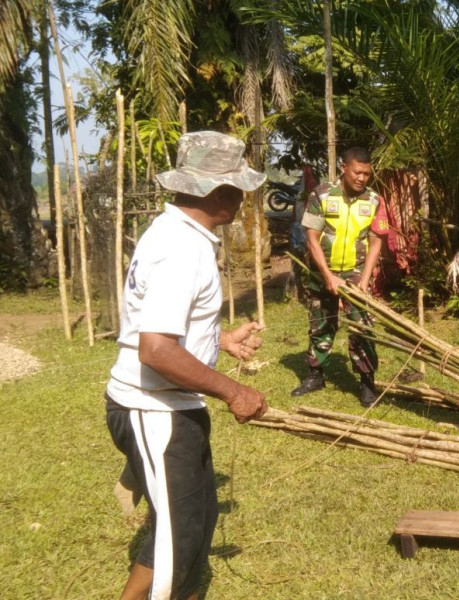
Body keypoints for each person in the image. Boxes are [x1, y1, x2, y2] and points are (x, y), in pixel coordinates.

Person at [104, 131, 269, 600]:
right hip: (152, 408)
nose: (242, 199)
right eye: (238, 189)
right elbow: (155, 349)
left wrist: (219, 338)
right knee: (180, 538)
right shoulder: (181, 248)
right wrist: (234, 391)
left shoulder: (177, 233)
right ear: (217, 194)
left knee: (192, 521)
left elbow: (160, 324)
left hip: (171, 405)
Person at [291, 147, 390, 406]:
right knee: (321, 322)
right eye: (357, 172)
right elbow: (311, 238)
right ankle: (315, 374)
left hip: (356, 272)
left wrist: (365, 280)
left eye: (367, 174)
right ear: (344, 168)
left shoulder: (374, 200)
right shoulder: (321, 195)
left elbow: (376, 242)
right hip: (323, 269)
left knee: (362, 326)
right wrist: (327, 276)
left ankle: (367, 381)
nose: (361, 178)